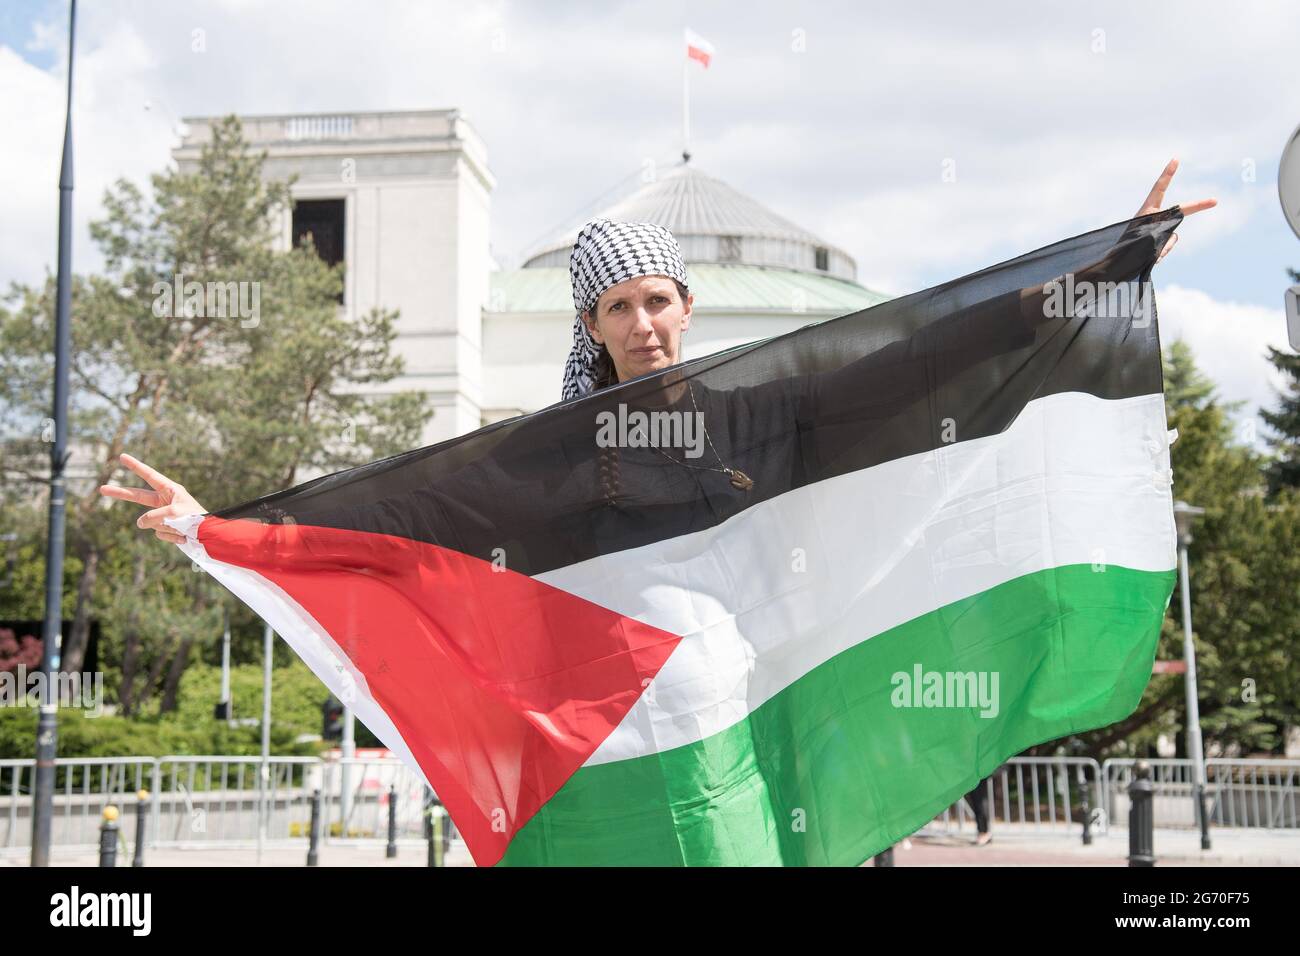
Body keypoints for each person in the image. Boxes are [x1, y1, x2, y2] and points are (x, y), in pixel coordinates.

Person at [102, 159, 1215, 561]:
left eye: (656, 299)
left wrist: (1098, 267)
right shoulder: (549, 451)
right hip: (627, 731)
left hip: (763, 703)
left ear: (687, 305)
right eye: (617, 306)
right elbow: (403, 510)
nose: (641, 321)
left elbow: (921, 359)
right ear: (588, 325)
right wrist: (220, 525)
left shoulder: (769, 405)